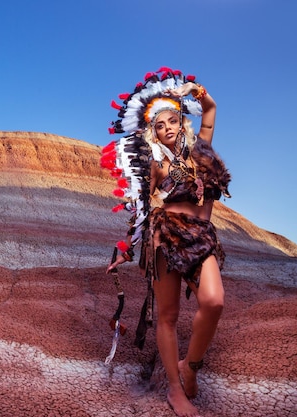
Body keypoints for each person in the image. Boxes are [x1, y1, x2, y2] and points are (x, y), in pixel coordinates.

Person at [101, 67, 231, 417]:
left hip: (202, 237)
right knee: (168, 316)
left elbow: (210, 111)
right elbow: (140, 205)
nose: (167, 128)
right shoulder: (157, 164)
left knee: (214, 301)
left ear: (180, 122)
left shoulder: (201, 152)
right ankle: (175, 390)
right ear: (153, 133)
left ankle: (191, 366)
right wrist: (127, 250)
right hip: (167, 236)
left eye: (172, 120)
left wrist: (198, 93)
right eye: (159, 125)